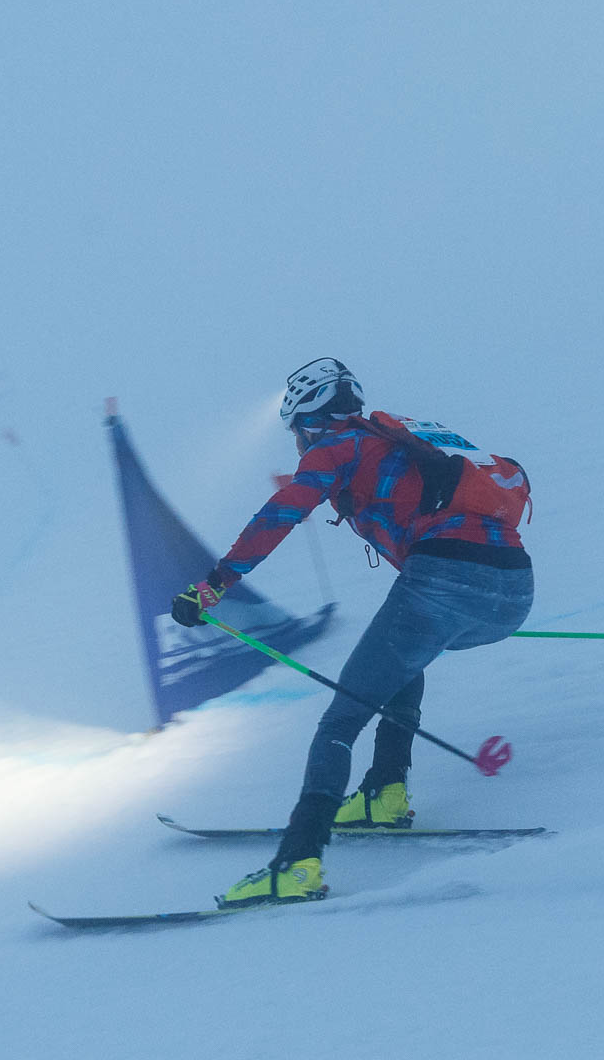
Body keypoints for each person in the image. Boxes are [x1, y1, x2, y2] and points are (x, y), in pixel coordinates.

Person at [171, 358, 534, 908]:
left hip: (445, 581)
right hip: (514, 592)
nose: (297, 445)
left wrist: (214, 585)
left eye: (295, 432)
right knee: (399, 665)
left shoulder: (335, 446)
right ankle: (384, 793)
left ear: (306, 422)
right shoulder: (401, 441)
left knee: (342, 716)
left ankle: (296, 866)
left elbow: (284, 511)